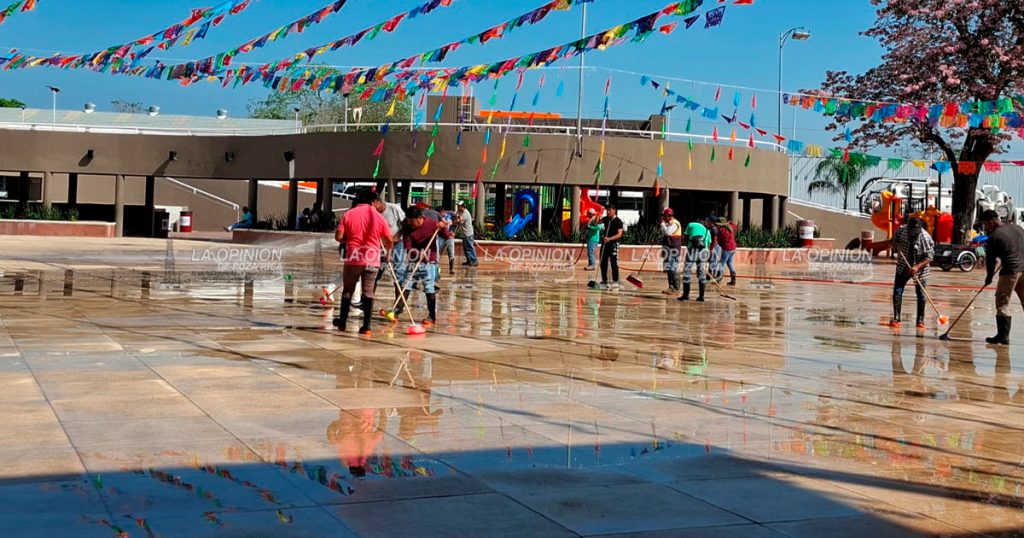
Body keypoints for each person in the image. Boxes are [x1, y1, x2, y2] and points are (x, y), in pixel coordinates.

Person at [333, 191, 395, 336]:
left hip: (353, 258)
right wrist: (385, 248)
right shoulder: (379, 217)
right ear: (372, 202)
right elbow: (389, 240)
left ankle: (342, 322)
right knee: (368, 292)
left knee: (348, 290)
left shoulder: (348, 214)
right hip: (372, 259)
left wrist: (348, 240)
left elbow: (338, 236)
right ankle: (366, 327)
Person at [394, 207, 451, 326]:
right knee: (406, 284)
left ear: (420, 218)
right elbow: (407, 247)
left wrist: (443, 227)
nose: (410, 224)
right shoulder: (407, 227)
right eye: (408, 221)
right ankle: (396, 311)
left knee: (429, 287)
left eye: (412, 221)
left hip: (429, 261)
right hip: (413, 260)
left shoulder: (432, 224)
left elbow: (447, 236)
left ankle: (432, 316)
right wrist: (417, 253)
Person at [981, 209, 1024, 345]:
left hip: (1010, 271)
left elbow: (991, 261)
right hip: (1023, 268)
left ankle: (1002, 336)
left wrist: (989, 277)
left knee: (1002, 303)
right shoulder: (1017, 228)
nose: (985, 227)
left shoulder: (994, 236)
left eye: (985, 224)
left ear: (991, 222)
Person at [890, 218, 934, 330]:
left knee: (921, 294)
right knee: (897, 292)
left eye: (916, 232)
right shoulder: (901, 231)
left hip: (920, 268)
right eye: (912, 231)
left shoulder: (925, 237)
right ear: (908, 228)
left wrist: (917, 266)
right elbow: (892, 241)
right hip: (903, 266)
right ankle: (897, 318)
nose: (914, 234)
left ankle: (920, 320)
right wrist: (895, 245)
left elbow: (929, 257)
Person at [678, 216, 712, 302]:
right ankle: (701, 296)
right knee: (701, 273)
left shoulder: (690, 225)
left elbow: (684, 237)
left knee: (687, 272)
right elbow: (708, 244)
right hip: (704, 252)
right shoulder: (707, 230)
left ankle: (686, 296)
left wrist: (688, 247)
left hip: (692, 250)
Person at [374, 199, 406, 289]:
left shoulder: (394, 208)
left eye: (374, 205)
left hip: (397, 244)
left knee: (398, 270)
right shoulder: (373, 212)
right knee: (375, 271)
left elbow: (406, 223)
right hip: (381, 245)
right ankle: (368, 298)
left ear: (379, 202)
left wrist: (397, 236)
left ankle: (399, 299)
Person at [600, 204, 625, 289]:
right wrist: (598, 214)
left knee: (614, 263)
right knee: (603, 262)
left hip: (613, 244)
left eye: (610, 210)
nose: (608, 212)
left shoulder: (618, 221)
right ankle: (604, 280)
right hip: (605, 244)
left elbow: (619, 234)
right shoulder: (606, 219)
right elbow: (596, 222)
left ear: (614, 210)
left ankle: (615, 281)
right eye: (607, 210)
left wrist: (610, 239)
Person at [659, 208, 682, 293]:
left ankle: (676, 288)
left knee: (673, 268)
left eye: (664, 216)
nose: (663, 218)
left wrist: (662, 225)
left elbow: (668, 232)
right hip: (668, 249)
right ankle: (670, 287)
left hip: (673, 249)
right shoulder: (668, 224)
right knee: (668, 268)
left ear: (669, 216)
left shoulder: (675, 224)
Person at [454, 200, 479, 267]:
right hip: (464, 234)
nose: (458, 207)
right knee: (465, 249)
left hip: (468, 234)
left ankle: (474, 261)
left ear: (463, 206)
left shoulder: (465, 213)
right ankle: (469, 261)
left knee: (470, 248)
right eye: (458, 206)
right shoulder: (460, 212)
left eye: (459, 206)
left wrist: (454, 221)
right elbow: (457, 215)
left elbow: (459, 221)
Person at [717, 217, 739, 285]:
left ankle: (719, 278)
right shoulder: (731, 227)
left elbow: (719, 240)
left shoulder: (721, 230)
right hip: (733, 248)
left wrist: (721, 245)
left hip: (727, 248)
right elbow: (735, 225)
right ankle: (733, 279)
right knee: (730, 263)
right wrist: (729, 222)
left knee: (722, 263)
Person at [436, 206, 457, 275]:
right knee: (437, 252)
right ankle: (436, 268)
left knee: (451, 253)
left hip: (449, 237)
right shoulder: (437, 217)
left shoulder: (450, 214)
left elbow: (456, 220)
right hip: (440, 236)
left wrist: (453, 230)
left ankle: (451, 269)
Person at [706, 215, 723, 282]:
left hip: (715, 247)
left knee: (714, 261)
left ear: (711, 222)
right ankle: (709, 275)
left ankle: (714, 276)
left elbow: (715, 240)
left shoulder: (714, 229)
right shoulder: (710, 229)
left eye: (708, 221)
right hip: (713, 246)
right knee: (711, 261)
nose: (706, 222)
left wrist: (711, 248)